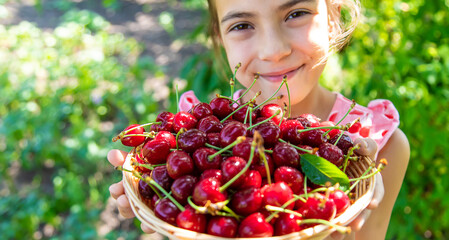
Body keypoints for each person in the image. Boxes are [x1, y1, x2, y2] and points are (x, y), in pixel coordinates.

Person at [108, 0, 410, 239]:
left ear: (333, 18)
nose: (273, 50)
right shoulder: (200, 128)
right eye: (242, 25)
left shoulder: (379, 146)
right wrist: (172, 211)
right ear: (220, 37)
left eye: (296, 13)